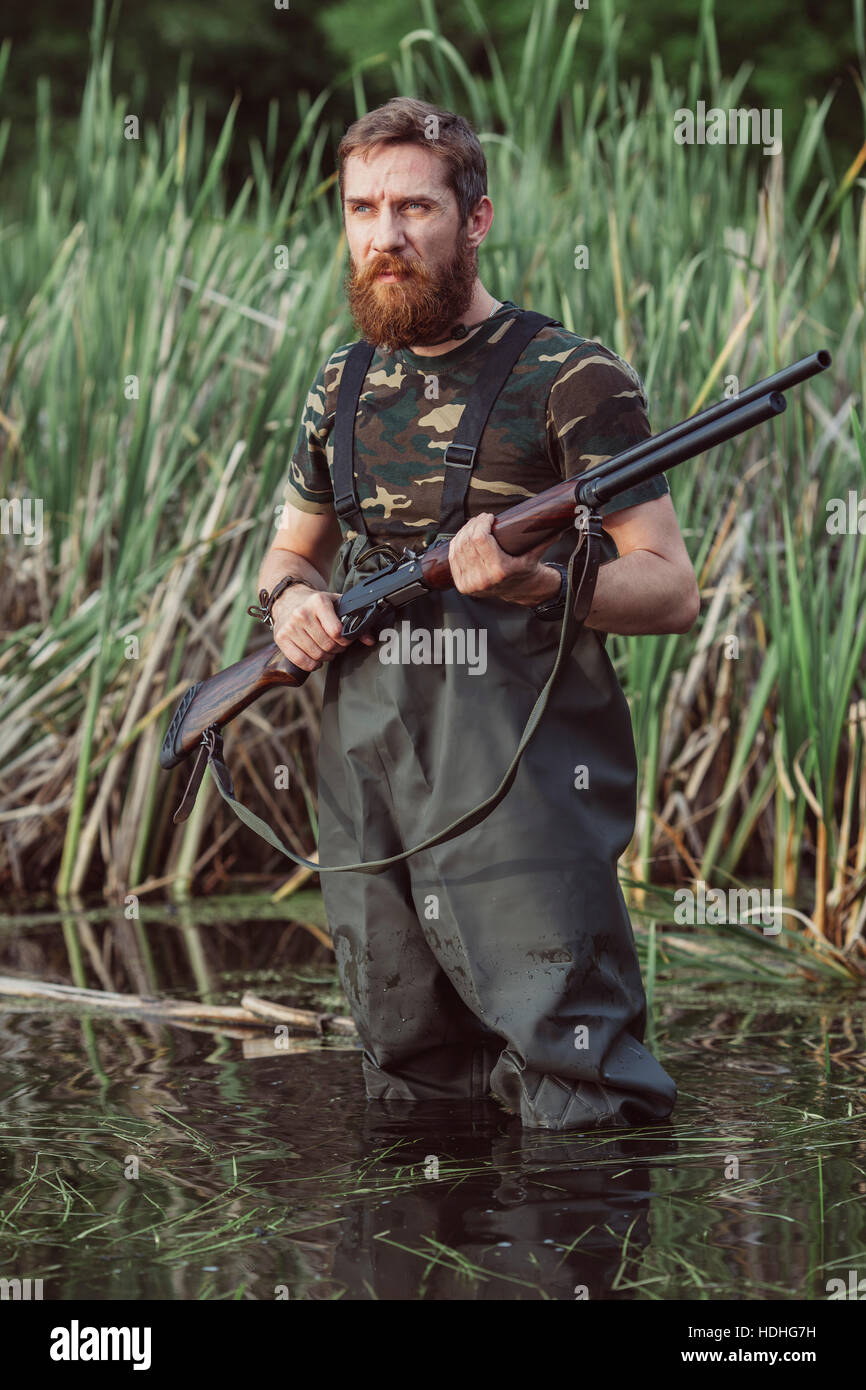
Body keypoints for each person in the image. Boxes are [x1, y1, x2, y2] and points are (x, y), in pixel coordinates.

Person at [257, 97, 700, 1130]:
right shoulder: (342, 382)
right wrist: (290, 605)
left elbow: (672, 590)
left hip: (520, 768)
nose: (384, 236)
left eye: (413, 207)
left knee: (573, 1071)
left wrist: (538, 581)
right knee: (406, 1060)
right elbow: (292, 548)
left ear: (477, 217)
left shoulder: (568, 377)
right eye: (362, 209)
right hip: (368, 761)